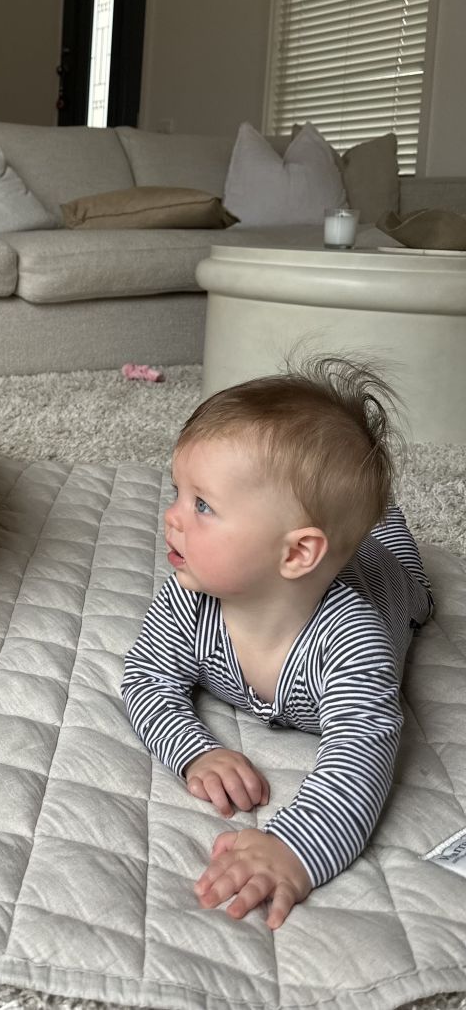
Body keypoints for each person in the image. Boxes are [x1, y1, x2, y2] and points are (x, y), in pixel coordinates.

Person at [120, 357, 433, 930]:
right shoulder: (187, 600)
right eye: (178, 493)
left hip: (383, 581)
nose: (171, 517)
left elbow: (362, 749)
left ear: (294, 553)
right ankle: (369, 522)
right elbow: (146, 679)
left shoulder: (352, 642)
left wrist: (296, 847)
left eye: (203, 505)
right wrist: (194, 750)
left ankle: (387, 523)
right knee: (358, 536)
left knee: (407, 580)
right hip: (323, 557)